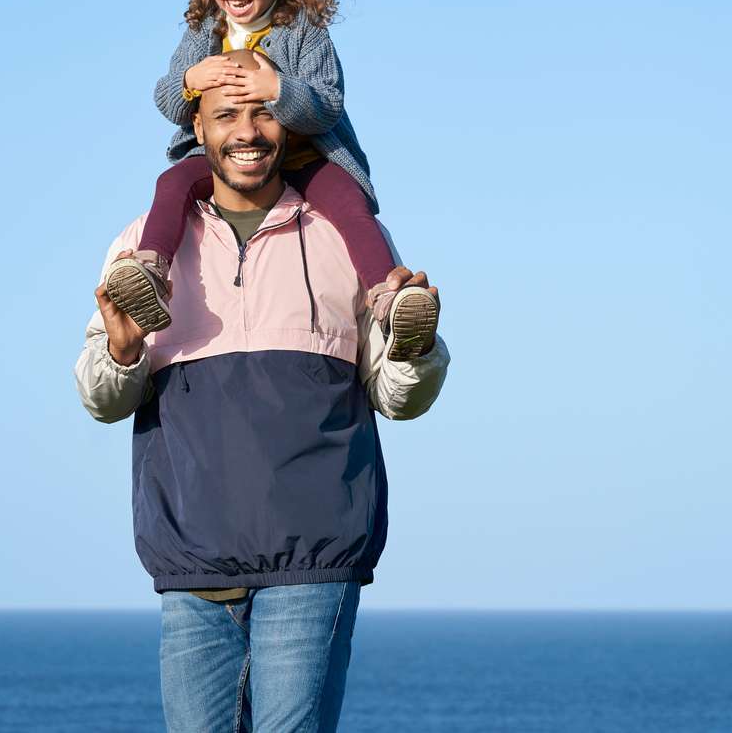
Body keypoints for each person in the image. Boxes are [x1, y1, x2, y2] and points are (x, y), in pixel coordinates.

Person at [74, 51, 451, 732]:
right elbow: (101, 398)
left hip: (315, 558)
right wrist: (124, 350)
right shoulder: (141, 249)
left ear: (290, 123)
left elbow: (399, 397)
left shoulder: (348, 235)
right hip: (191, 563)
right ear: (199, 126)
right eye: (226, 115)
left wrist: (415, 350)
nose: (247, 131)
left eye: (264, 113)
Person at [102, 0, 437, 363]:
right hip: (223, 158)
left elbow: (327, 105)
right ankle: (150, 273)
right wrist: (191, 80)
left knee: (349, 206)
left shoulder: (304, 33)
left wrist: (279, 89)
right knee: (172, 184)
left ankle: (389, 298)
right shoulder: (203, 34)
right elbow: (169, 103)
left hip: (305, 153)